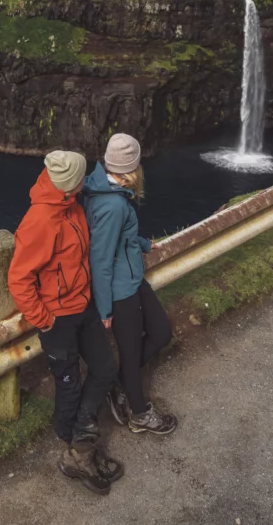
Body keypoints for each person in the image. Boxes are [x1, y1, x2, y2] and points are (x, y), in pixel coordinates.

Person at [8, 150, 122, 496]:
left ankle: (81, 438)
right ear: (71, 183)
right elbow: (19, 279)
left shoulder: (70, 204)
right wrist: (45, 320)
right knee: (69, 384)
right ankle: (76, 451)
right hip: (58, 318)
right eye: (83, 176)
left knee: (104, 367)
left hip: (81, 307)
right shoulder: (41, 220)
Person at [83, 133, 178, 435]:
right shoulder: (113, 206)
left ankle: (121, 384)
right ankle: (139, 414)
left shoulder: (104, 188)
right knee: (132, 350)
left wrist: (144, 245)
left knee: (161, 332)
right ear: (131, 168)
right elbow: (100, 259)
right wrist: (105, 309)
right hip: (120, 292)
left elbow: (119, 239)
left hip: (132, 279)